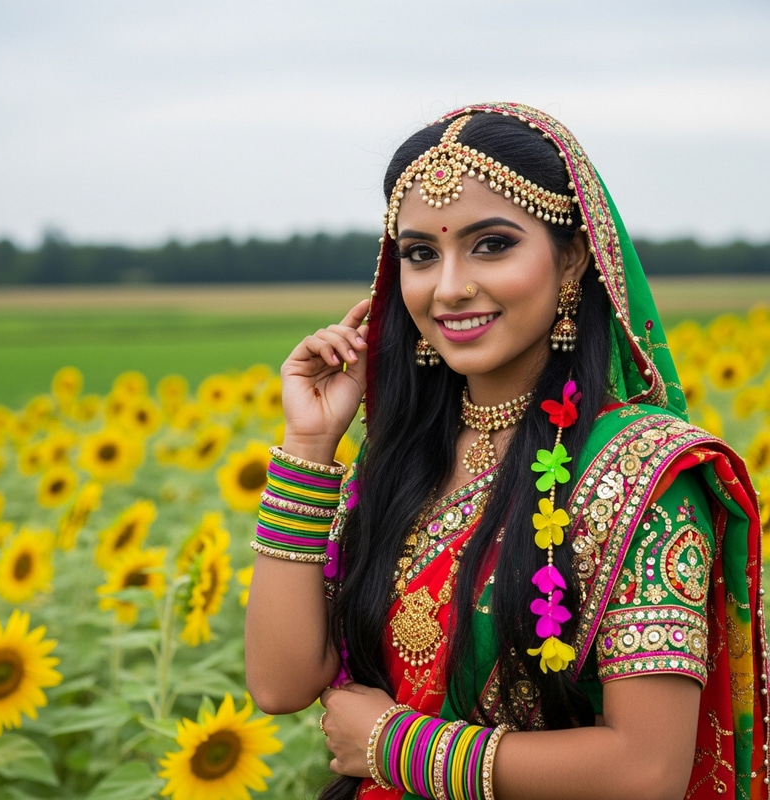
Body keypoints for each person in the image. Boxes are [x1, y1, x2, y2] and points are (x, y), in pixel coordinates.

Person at [245, 102, 768, 800]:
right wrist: (308, 447)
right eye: (421, 254)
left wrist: (396, 746)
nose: (451, 286)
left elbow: (647, 770)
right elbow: (280, 682)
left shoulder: (641, 474)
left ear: (574, 256)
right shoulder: (401, 461)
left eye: (492, 244)